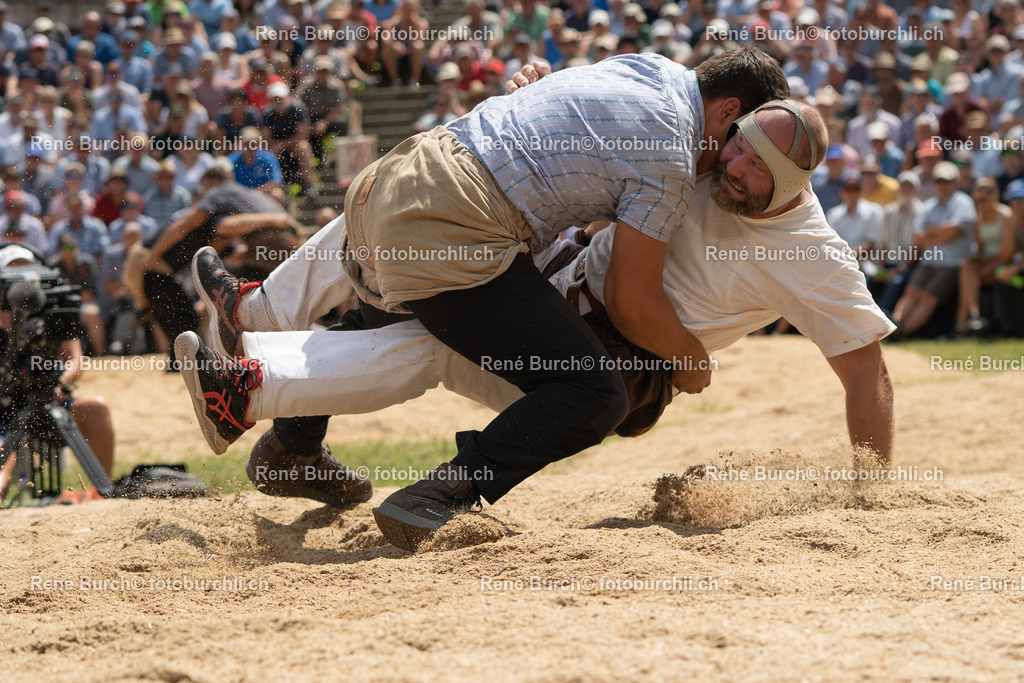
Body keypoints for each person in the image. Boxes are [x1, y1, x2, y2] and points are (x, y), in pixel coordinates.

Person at [179, 95, 895, 551]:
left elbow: (865, 367)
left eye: (757, 165)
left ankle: (259, 389)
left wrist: (872, 494)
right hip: (565, 283)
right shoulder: (694, 156)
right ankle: (265, 341)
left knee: (434, 338)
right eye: (736, 143)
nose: (733, 165)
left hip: (623, 361)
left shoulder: (813, 255)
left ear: (798, 182)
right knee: (426, 200)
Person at [0, 245, 116, 502]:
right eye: (12, 270)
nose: (21, 277)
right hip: (5, 414)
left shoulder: (54, 311)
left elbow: (76, 361)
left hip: (51, 401)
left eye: (26, 269)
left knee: (96, 408)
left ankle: (99, 495)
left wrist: (61, 386)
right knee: (1, 481)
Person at [892, 161, 977, 336]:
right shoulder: (930, 205)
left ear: (955, 182)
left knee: (927, 298)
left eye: (947, 181)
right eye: (939, 181)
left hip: (951, 264)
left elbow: (953, 232)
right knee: (911, 292)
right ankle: (895, 327)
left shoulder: (963, 202)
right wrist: (940, 234)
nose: (943, 185)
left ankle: (903, 332)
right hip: (929, 262)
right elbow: (918, 237)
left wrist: (931, 233)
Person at [955, 177, 1017, 334]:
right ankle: (974, 317)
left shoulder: (1006, 216)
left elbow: (1006, 255)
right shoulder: (978, 221)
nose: (980, 205)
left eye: (983, 200)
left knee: (968, 278)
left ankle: (963, 324)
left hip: (1004, 262)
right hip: (988, 263)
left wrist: (987, 259)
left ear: (994, 196)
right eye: (977, 201)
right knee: (966, 266)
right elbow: (981, 250)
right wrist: (975, 259)